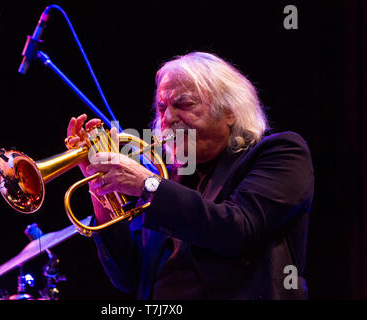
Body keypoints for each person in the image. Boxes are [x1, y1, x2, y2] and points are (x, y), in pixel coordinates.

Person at [65, 52, 314, 299]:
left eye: (183, 105)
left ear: (230, 111)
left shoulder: (280, 152)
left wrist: (148, 184)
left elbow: (238, 230)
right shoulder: (169, 178)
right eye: (162, 108)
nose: (168, 118)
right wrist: (99, 186)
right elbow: (127, 277)